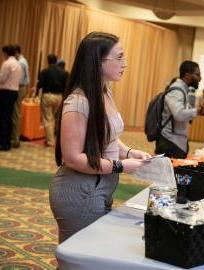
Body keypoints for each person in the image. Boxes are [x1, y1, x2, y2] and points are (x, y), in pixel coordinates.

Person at [49, 32, 150, 244]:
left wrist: (129, 152)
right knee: (79, 259)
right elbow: (73, 158)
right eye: (120, 57)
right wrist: (121, 165)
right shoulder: (78, 102)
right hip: (80, 190)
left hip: (100, 185)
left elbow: (108, 135)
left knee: (91, 255)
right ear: (98, 61)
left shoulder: (105, 92)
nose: (125, 63)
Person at [155, 60, 200, 159]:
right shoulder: (177, 91)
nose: (200, 78)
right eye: (197, 75)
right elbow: (179, 114)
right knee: (169, 174)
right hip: (170, 142)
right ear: (187, 76)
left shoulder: (183, 89)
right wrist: (198, 111)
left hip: (176, 141)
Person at [36, 54, 68, 146]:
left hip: (48, 95)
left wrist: (36, 94)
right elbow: (66, 85)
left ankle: (50, 141)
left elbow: (40, 84)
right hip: (59, 97)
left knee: (48, 118)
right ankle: (51, 138)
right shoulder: (64, 73)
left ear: (48, 60)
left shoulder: (45, 71)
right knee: (53, 118)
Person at [0, 45, 23, 151]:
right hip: (14, 92)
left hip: (6, 92)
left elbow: (2, 79)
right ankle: (7, 142)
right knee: (8, 117)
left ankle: (3, 143)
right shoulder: (18, 64)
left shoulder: (7, 63)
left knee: (4, 117)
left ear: (5, 53)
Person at [11, 44, 30, 148]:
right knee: (16, 113)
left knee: (15, 113)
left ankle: (15, 139)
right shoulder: (23, 61)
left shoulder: (20, 63)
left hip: (19, 87)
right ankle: (14, 137)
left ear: (16, 52)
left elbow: (20, 78)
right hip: (21, 87)